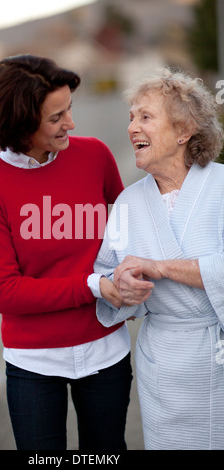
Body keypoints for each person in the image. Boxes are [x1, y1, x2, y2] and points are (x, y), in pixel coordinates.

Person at [0, 54, 132, 451]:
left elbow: (133, 229)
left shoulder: (95, 156)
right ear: (21, 124)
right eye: (56, 117)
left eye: (69, 109)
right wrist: (94, 284)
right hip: (33, 363)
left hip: (106, 351)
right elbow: (5, 292)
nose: (70, 124)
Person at [94, 68, 224, 450]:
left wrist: (161, 267)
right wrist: (121, 287)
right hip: (162, 362)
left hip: (214, 354)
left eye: (146, 117)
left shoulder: (222, 187)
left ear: (183, 131)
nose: (133, 126)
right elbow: (107, 275)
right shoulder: (128, 203)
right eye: (131, 117)